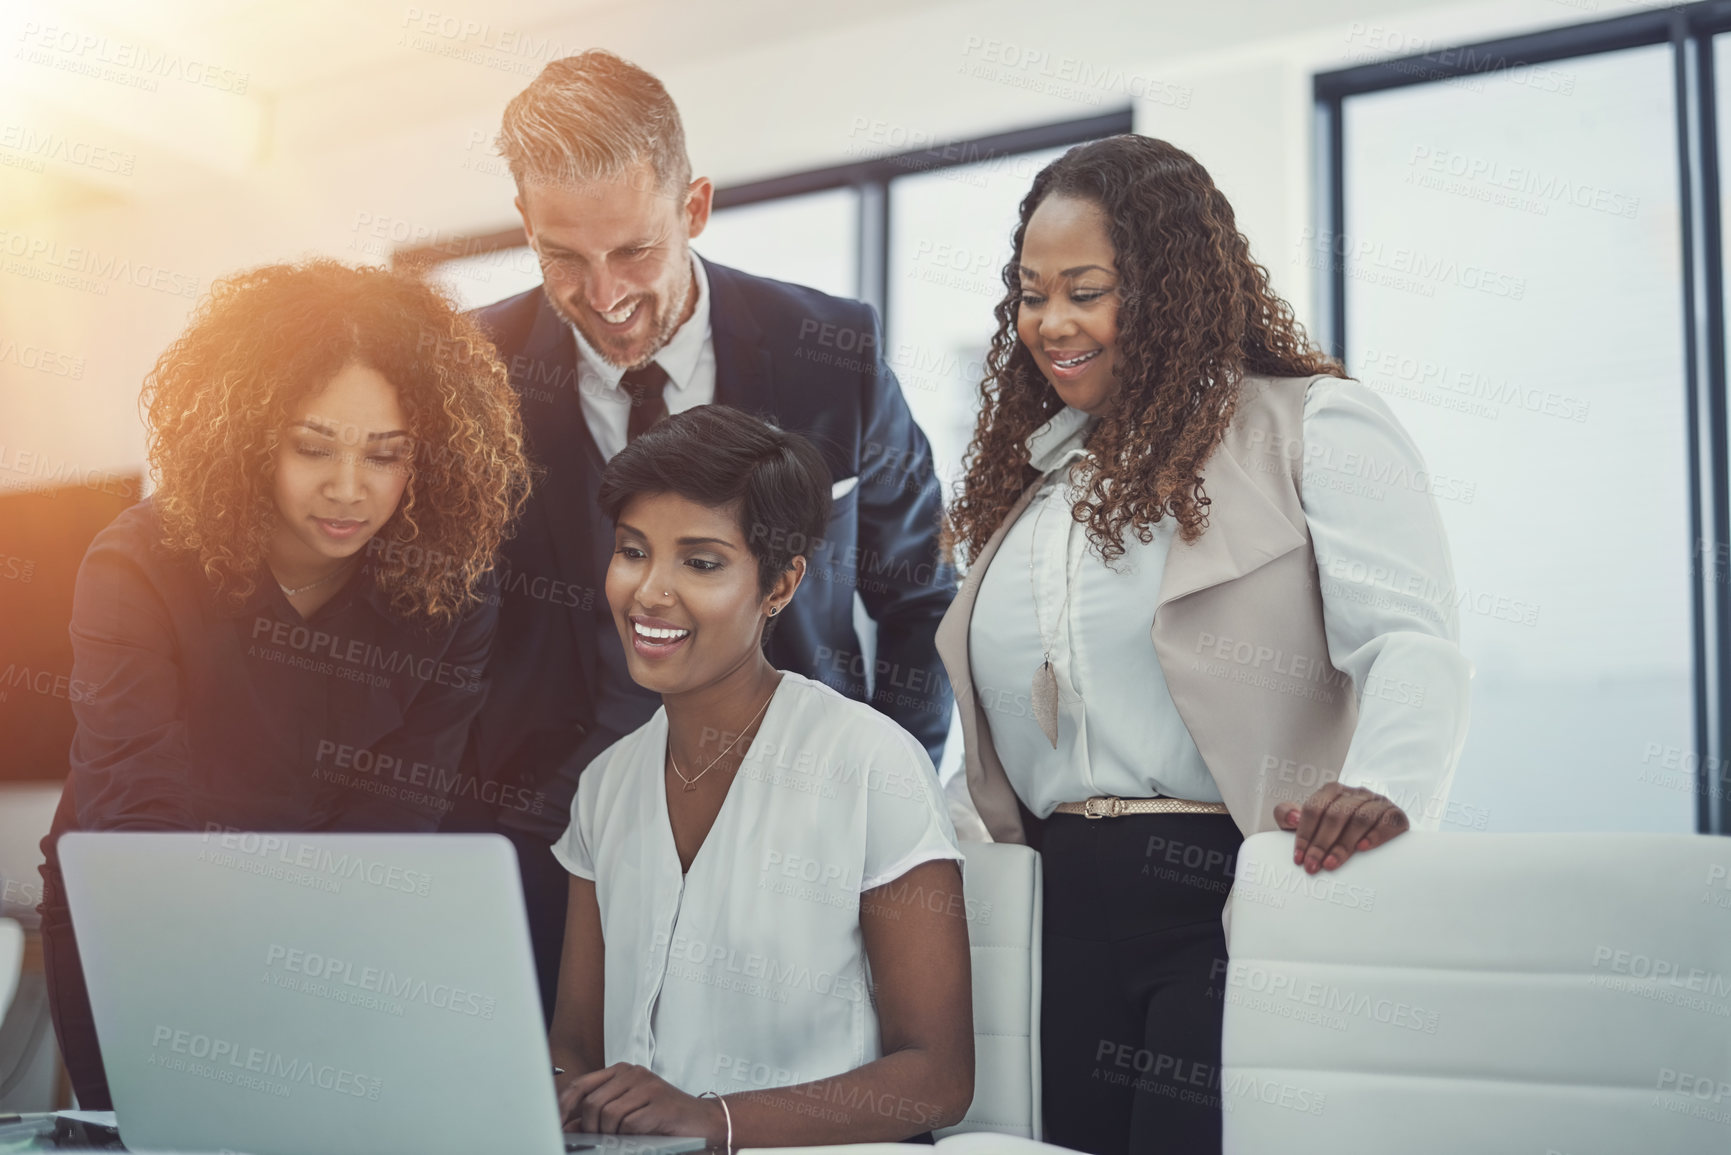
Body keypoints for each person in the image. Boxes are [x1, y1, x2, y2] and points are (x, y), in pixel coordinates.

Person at [935, 135, 1472, 1154]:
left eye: (1086, 291)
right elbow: (1010, 725)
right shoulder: (1041, 478)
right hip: (1053, 909)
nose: (1051, 324)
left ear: (1171, 285)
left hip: (1232, 895)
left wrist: (1390, 786)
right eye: (1031, 294)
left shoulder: (1312, 424)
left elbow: (1412, 638)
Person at [457, 49, 961, 1021]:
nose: (603, 297)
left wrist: (882, 794)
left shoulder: (834, 355)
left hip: (796, 844)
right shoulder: (469, 377)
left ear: (694, 207)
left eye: (634, 251)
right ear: (526, 225)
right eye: (563, 256)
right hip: (538, 856)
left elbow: (919, 599)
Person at [36, 260, 531, 1108]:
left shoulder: (453, 589)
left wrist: (312, 961)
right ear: (246, 436)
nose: (348, 489)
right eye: (312, 447)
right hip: (133, 905)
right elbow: (136, 813)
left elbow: (397, 812)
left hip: (328, 920)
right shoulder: (136, 563)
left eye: (386, 455)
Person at [547, 404, 972, 1147]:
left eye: (701, 562)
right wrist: (554, 1095)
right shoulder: (605, 785)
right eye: (633, 550)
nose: (649, 591)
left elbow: (937, 1077)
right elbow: (575, 1046)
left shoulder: (869, 762)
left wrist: (717, 1121)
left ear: (779, 586)